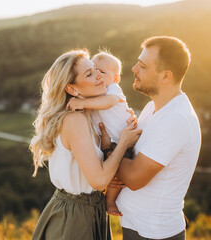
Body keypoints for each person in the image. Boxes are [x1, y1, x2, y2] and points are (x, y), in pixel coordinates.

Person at [29, 49, 142, 240]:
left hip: (91, 210)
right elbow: (98, 181)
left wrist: (111, 147)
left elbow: (96, 174)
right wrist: (123, 142)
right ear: (72, 89)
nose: (99, 75)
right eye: (90, 73)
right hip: (74, 217)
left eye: (97, 70)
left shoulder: (90, 117)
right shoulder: (74, 120)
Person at [104, 36, 201, 239]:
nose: (134, 69)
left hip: (153, 232)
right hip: (138, 226)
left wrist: (108, 149)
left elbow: (134, 178)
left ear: (166, 76)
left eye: (143, 65)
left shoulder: (176, 119)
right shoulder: (153, 107)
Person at [66, 51, 133, 216]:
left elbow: (108, 103)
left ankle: (111, 201)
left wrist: (83, 103)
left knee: (119, 176)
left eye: (102, 72)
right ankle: (110, 201)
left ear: (115, 79)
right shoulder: (77, 115)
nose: (98, 75)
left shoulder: (112, 90)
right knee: (113, 174)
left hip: (123, 139)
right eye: (93, 70)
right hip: (113, 143)